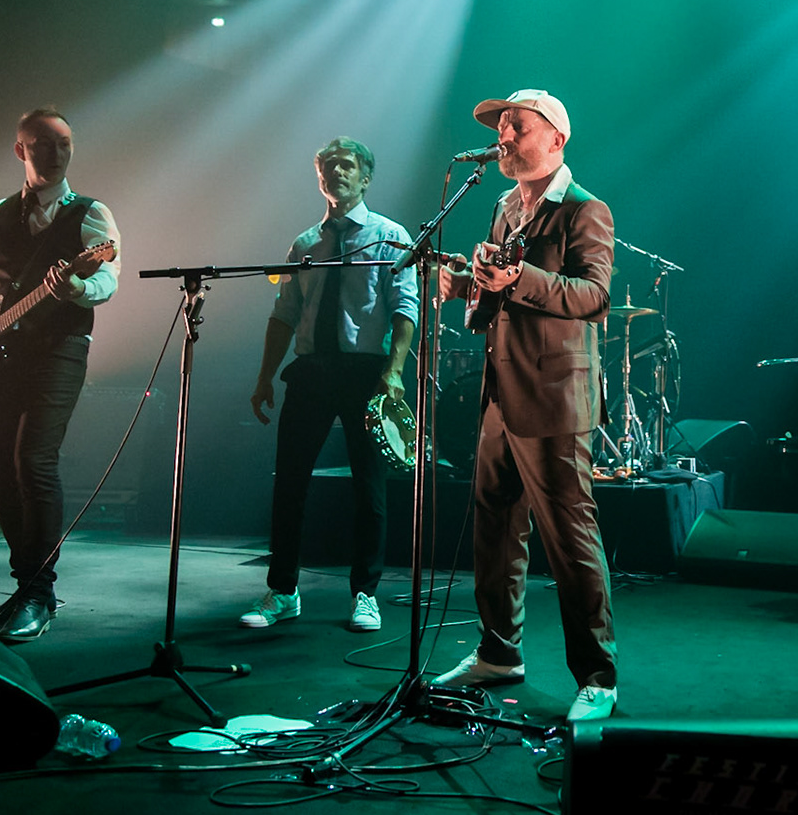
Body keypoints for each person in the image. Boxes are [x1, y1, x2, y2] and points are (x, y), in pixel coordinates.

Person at [433, 90, 618, 723]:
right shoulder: (503, 206)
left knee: (570, 539)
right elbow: (488, 309)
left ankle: (597, 673)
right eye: (501, 127)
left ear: (556, 139)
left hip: (555, 397)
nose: (504, 136)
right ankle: (498, 651)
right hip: (500, 395)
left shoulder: (584, 210)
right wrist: (465, 288)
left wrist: (519, 280)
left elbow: (593, 296)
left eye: (516, 126)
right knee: (494, 528)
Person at [0, 107, 121, 643]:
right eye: (43, 143)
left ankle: (40, 595)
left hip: (59, 349)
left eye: (64, 144)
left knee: (34, 460)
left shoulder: (90, 215)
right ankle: (25, 587)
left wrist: (76, 288)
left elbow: (107, 277)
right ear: (21, 150)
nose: (56, 153)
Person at [243, 137, 417, 634]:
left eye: (347, 165)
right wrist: (263, 377)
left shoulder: (390, 236)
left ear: (365, 177)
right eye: (328, 166)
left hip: (366, 373)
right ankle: (283, 591)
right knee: (290, 482)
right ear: (319, 177)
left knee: (369, 487)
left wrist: (394, 370)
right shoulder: (304, 244)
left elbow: (406, 308)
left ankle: (365, 593)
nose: (336, 172)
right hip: (312, 370)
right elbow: (283, 314)